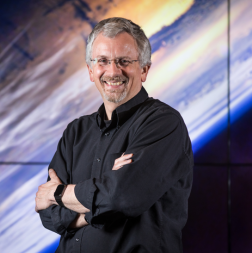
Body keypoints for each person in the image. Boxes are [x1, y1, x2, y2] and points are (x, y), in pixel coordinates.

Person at [36, 17, 193, 253]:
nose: (112, 71)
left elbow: (122, 198)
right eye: (103, 61)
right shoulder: (75, 133)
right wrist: (103, 195)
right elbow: (49, 215)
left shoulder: (163, 122)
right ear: (91, 71)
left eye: (124, 61)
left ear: (144, 70)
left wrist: (57, 193)